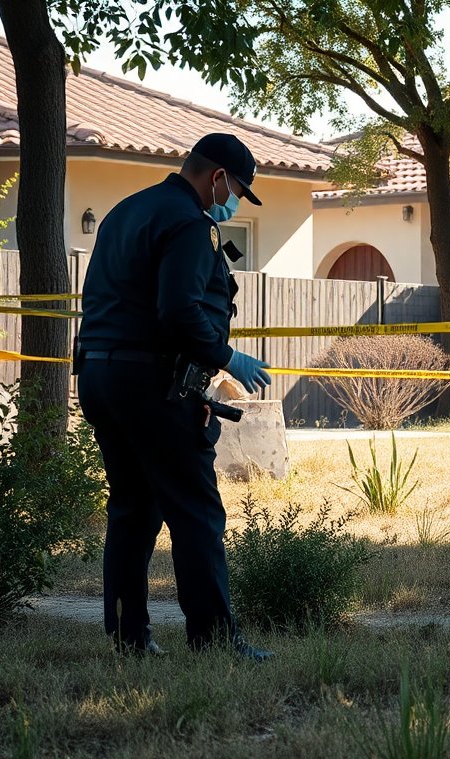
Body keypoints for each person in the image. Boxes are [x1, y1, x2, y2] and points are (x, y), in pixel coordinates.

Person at [75, 133, 274, 660]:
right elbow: (178, 311)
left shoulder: (126, 212)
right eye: (235, 190)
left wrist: (191, 387)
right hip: (148, 384)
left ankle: (128, 637)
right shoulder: (189, 223)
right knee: (196, 512)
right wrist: (226, 360)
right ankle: (214, 642)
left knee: (132, 509)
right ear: (216, 178)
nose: (232, 202)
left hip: (100, 377)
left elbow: (116, 300)